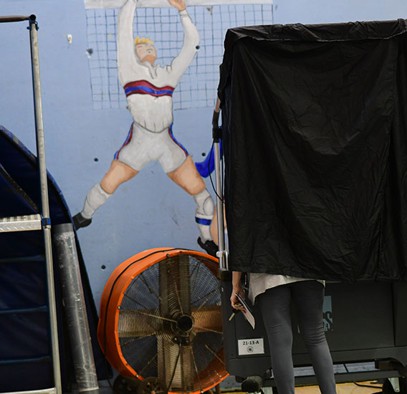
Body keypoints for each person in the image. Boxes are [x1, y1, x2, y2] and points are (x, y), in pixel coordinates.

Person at [73, 0, 217, 253]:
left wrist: (182, 11)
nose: (148, 49)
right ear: (136, 52)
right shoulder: (129, 69)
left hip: (166, 144)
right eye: (143, 47)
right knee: (108, 185)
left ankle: (206, 240)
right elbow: (123, 31)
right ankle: (83, 216)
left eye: (151, 45)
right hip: (139, 143)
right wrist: (131, 2)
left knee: (203, 197)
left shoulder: (169, 74)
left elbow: (192, 46)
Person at [231, 271, 336, 394]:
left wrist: (236, 285)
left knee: (279, 342)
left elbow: (240, 252)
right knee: (316, 338)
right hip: (308, 266)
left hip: (268, 269)